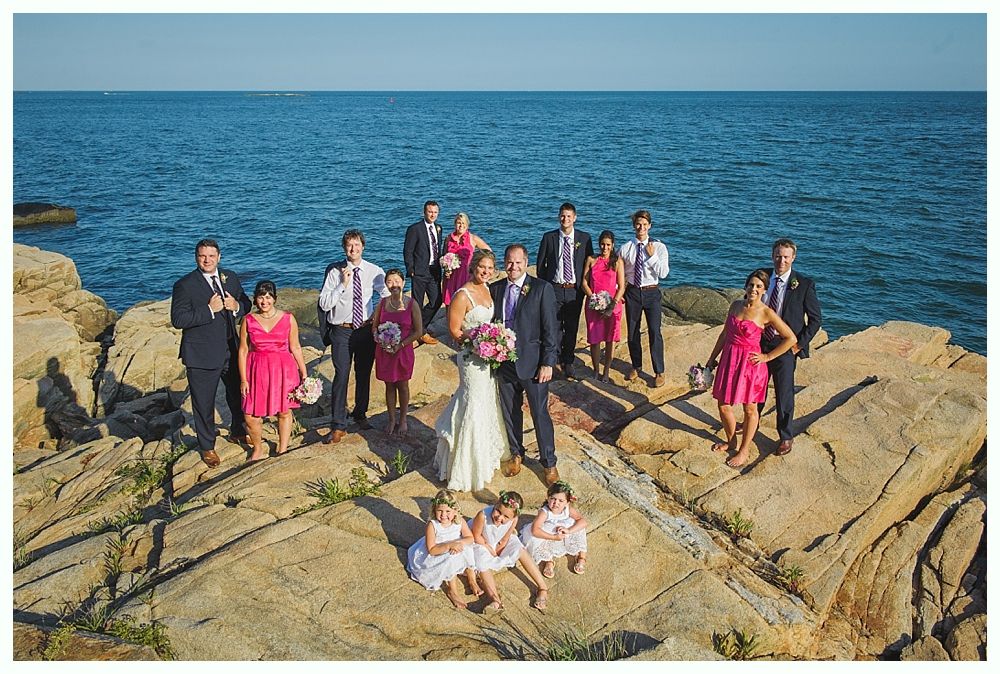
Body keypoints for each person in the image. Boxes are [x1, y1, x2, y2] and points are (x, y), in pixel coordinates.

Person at [433, 249, 510, 491]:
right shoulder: (462, 296)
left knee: (486, 401)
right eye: (481, 267)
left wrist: (495, 344)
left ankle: (483, 459)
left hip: (487, 359)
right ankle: (465, 467)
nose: (486, 271)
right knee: (472, 402)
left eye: (489, 268)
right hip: (470, 358)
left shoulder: (488, 289)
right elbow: (454, 331)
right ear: (473, 267)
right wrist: (476, 341)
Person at [170, 238, 252, 468]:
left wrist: (236, 306)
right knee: (204, 404)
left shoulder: (230, 277)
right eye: (202, 256)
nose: (207, 260)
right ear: (196, 257)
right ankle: (207, 446)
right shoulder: (185, 285)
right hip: (202, 353)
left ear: (219, 257)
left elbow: (246, 304)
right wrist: (209, 309)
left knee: (237, 395)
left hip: (231, 349)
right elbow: (178, 319)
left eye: (211, 256)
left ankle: (238, 430)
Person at [706, 270, 796, 468]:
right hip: (729, 359)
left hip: (750, 365)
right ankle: (731, 441)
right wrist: (712, 358)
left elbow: (791, 338)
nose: (753, 289)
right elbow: (724, 334)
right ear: (745, 286)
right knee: (723, 404)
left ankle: (744, 450)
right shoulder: (736, 305)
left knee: (750, 408)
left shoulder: (766, 312)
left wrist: (768, 357)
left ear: (764, 290)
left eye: (758, 286)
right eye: (751, 285)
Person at [490, 244, 561, 486]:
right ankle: (516, 453)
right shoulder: (496, 289)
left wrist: (548, 362)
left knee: (540, 413)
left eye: (518, 262)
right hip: (504, 363)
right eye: (509, 262)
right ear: (504, 262)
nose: (513, 267)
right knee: (510, 412)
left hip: (533, 364)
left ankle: (549, 463)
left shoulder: (541, 289)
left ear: (526, 262)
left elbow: (551, 329)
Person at [318, 229, 389, 444]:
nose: (353, 249)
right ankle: (338, 424)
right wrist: (342, 285)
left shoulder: (374, 270)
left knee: (364, 372)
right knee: (341, 375)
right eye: (349, 245)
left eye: (357, 245)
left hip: (365, 329)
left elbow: (385, 294)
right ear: (344, 248)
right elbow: (323, 303)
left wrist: (378, 317)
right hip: (342, 329)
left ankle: (360, 413)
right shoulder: (334, 272)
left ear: (363, 247)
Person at [758, 238, 823, 456]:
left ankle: (785, 436)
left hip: (786, 345)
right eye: (778, 256)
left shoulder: (803, 284)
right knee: (756, 387)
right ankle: (752, 422)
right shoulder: (763, 277)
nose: (781, 260)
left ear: (793, 258)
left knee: (784, 392)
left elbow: (815, 320)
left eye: (786, 256)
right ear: (772, 256)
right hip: (760, 343)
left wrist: (798, 346)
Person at [237, 281, 308, 462]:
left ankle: (282, 448)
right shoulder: (248, 320)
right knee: (251, 416)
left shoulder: (288, 318)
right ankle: (258, 448)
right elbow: (243, 350)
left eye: (268, 297)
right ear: (255, 299)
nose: (264, 301)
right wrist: (243, 379)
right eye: (261, 297)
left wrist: (304, 373)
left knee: (283, 411)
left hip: (283, 370)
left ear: (274, 299)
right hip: (257, 370)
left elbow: (296, 347)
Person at [536, 202, 594, 379]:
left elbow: (589, 264)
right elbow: (541, 265)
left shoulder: (584, 238)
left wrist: (586, 288)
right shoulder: (549, 237)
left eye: (569, 216)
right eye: (562, 215)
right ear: (558, 217)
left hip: (574, 290)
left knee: (571, 326)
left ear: (574, 218)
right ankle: (552, 359)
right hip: (554, 287)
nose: (565, 219)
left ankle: (568, 360)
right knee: (553, 326)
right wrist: (546, 286)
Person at [469, 491, 550, 612]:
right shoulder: (483, 516)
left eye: (506, 517)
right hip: (481, 542)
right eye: (498, 511)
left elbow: (506, 537)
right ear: (496, 503)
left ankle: (542, 588)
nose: (499, 517)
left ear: (513, 517)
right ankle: (495, 599)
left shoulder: (514, 519)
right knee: (481, 561)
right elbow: (476, 536)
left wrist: (500, 548)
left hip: (497, 541)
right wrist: (489, 548)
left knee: (519, 549)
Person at [619, 209, 671, 388]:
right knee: (632, 331)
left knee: (654, 332)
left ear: (650, 226)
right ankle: (636, 366)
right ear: (634, 226)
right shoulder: (626, 248)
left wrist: (652, 256)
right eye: (638, 224)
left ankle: (659, 371)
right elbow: (622, 274)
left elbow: (663, 273)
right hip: (633, 292)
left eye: (644, 224)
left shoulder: (659, 247)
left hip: (652, 292)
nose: (641, 227)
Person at [406, 489, 476, 610]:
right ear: (434, 510)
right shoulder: (432, 525)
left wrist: (458, 543)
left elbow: (470, 538)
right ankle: (452, 590)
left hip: (454, 546)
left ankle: (472, 579)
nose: (443, 515)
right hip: (438, 552)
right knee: (451, 557)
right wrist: (449, 546)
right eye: (440, 511)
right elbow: (432, 550)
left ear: (455, 511)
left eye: (448, 511)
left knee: (468, 549)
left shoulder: (460, 521)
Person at [372, 268, 422, 438]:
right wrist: (380, 340)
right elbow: (375, 326)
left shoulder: (411, 304)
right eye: (390, 281)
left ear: (403, 283)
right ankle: (391, 419)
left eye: (397, 281)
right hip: (385, 351)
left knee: (403, 385)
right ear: (386, 284)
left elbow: (418, 331)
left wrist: (400, 344)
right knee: (389, 385)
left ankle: (403, 419)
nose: (394, 284)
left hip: (403, 350)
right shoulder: (382, 303)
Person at [520, 480, 589, 578]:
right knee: (535, 540)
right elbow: (535, 530)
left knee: (579, 528)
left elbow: (583, 521)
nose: (556, 503)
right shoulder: (545, 512)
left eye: (561, 501)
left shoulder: (567, 509)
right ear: (548, 498)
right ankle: (549, 561)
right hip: (550, 533)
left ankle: (582, 557)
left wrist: (569, 530)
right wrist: (553, 537)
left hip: (563, 530)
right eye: (553, 499)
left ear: (567, 502)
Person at [581, 230, 626, 381]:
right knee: (594, 339)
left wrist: (612, 306)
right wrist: (593, 298)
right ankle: (595, 370)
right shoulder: (591, 260)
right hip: (594, 305)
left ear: (613, 245)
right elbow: (584, 283)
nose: (605, 248)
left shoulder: (617, 262)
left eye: (608, 245)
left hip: (612, 306)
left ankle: (606, 371)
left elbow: (621, 286)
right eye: (602, 244)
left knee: (609, 340)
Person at [403, 200, 444, 345]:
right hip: (419, 272)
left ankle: (420, 327)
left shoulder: (438, 228)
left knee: (437, 300)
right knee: (417, 303)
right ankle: (421, 332)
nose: (432, 214)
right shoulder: (415, 229)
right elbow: (408, 250)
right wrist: (411, 269)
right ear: (424, 212)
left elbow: (438, 249)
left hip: (434, 271)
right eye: (430, 211)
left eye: (435, 212)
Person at [441, 212, 492, 306]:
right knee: (450, 300)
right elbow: (444, 255)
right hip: (452, 275)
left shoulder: (472, 238)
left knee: (465, 299)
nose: (461, 225)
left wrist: (477, 263)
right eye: (458, 223)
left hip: (466, 274)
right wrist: (446, 269)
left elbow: (488, 251)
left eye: (463, 223)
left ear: (467, 225)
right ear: (455, 224)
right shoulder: (448, 238)